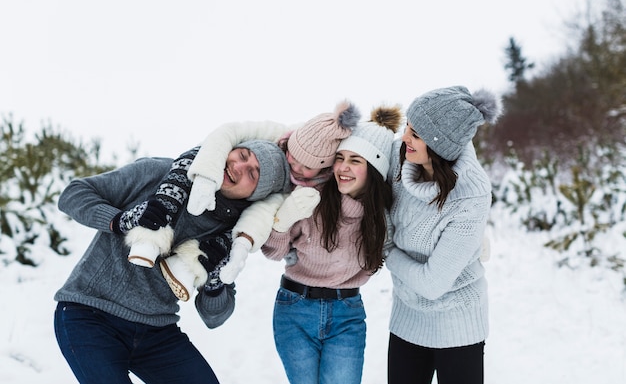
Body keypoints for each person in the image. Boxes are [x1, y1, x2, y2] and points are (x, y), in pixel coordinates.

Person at [53, 140, 291, 384]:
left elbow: (214, 317)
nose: (239, 167)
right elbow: (73, 194)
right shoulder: (160, 173)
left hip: (156, 332)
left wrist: (215, 281)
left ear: (256, 195)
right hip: (90, 315)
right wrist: (120, 221)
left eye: (253, 174)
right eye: (242, 155)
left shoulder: (234, 234)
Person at [125, 101, 361, 299]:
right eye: (293, 154)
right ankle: (148, 235)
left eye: (306, 166)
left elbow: (265, 209)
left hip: (254, 195)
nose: (294, 166)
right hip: (207, 161)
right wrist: (207, 177)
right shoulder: (277, 134)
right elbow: (228, 133)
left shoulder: (312, 188)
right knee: (179, 183)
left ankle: (188, 267)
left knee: (231, 232)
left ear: (324, 169)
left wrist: (243, 244)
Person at [262, 105, 403, 384]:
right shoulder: (311, 199)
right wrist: (282, 221)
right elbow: (273, 251)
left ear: (374, 169)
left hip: (346, 315)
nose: (343, 168)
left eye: (355, 161)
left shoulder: (382, 217)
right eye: (340, 158)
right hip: (295, 309)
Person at [384, 86, 502, 384]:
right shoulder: (402, 157)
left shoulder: (470, 194)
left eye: (416, 134)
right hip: (407, 316)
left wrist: (386, 251)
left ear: (440, 145)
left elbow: (433, 283)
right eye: (407, 127)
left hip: (458, 322)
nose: (404, 138)